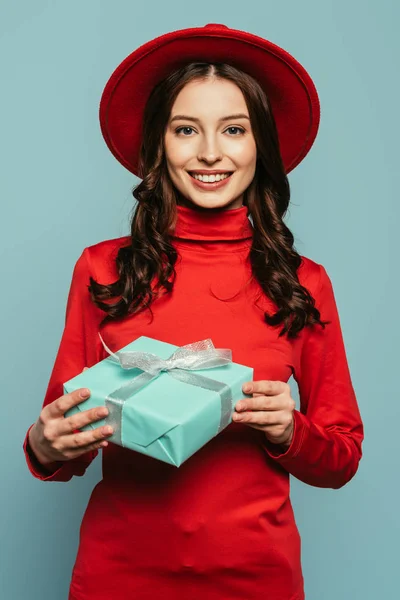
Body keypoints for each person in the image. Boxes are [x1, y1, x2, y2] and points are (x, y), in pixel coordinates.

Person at [23, 23, 364, 600]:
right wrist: (44, 444)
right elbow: (63, 438)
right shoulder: (102, 271)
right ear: (159, 144)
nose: (210, 152)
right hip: (119, 575)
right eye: (187, 130)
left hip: (257, 577)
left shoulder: (303, 284)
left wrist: (291, 431)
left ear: (261, 145)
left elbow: (342, 456)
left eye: (234, 129)